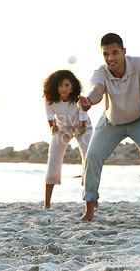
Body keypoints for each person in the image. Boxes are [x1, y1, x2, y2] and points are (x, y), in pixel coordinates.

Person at [77, 33, 140, 222]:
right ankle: (89, 211)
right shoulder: (100, 72)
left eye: (115, 53)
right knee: (92, 156)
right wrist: (88, 102)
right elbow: (96, 91)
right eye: (106, 54)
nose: (110, 58)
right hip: (112, 121)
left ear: (123, 52)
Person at [42, 70, 92, 209]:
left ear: (72, 86)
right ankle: (47, 204)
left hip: (83, 128)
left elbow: (82, 127)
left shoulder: (79, 100)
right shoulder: (50, 100)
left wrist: (76, 130)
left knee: (88, 158)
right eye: (60, 85)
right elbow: (51, 122)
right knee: (53, 159)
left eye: (66, 85)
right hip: (63, 129)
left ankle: (92, 199)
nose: (63, 89)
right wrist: (54, 128)